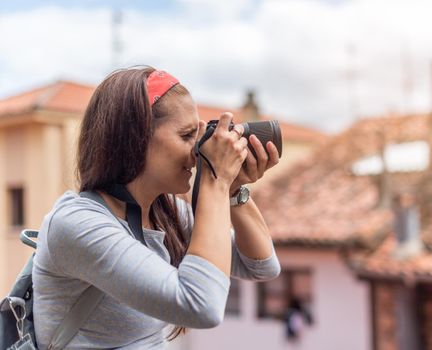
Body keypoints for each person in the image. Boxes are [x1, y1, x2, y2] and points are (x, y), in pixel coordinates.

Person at [32, 67, 281, 348]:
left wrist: (233, 189)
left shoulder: (167, 215)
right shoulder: (78, 224)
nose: (197, 149)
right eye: (187, 135)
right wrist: (216, 179)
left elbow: (261, 267)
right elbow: (201, 306)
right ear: (136, 139)